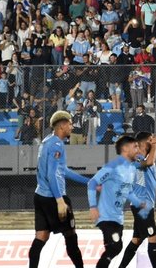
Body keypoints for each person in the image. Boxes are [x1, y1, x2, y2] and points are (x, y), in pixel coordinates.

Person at [31, 110, 89, 268]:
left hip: (40, 196)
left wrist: (88, 182)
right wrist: (60, 200)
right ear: (62, 126)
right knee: (71, 237)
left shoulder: (47, 141)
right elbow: (52, 174)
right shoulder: (57, 143)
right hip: (53, 197)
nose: (72, 126)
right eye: (70, 124)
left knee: (41, 237)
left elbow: (62, 170)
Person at [88, 135, 153, 268]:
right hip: (106, 217)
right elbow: (92, 182)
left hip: (118, 218)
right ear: (125, 149)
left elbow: (127, 191)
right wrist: (93, 207)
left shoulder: (131, 168)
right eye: (135, 146)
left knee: (115, 249)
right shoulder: (113, 166)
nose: (137, 150)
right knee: (116, 247)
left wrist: (138, 202)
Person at [117, 132, 156, 268]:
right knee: (153, 237)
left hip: (147, 204)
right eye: (151, 139)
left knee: (137, 239)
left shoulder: (146, 159)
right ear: (145, 142)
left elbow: (152, 183)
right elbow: (149, 162)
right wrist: (155, 145)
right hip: (141, 205)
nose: (153, 141)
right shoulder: (136, 158)